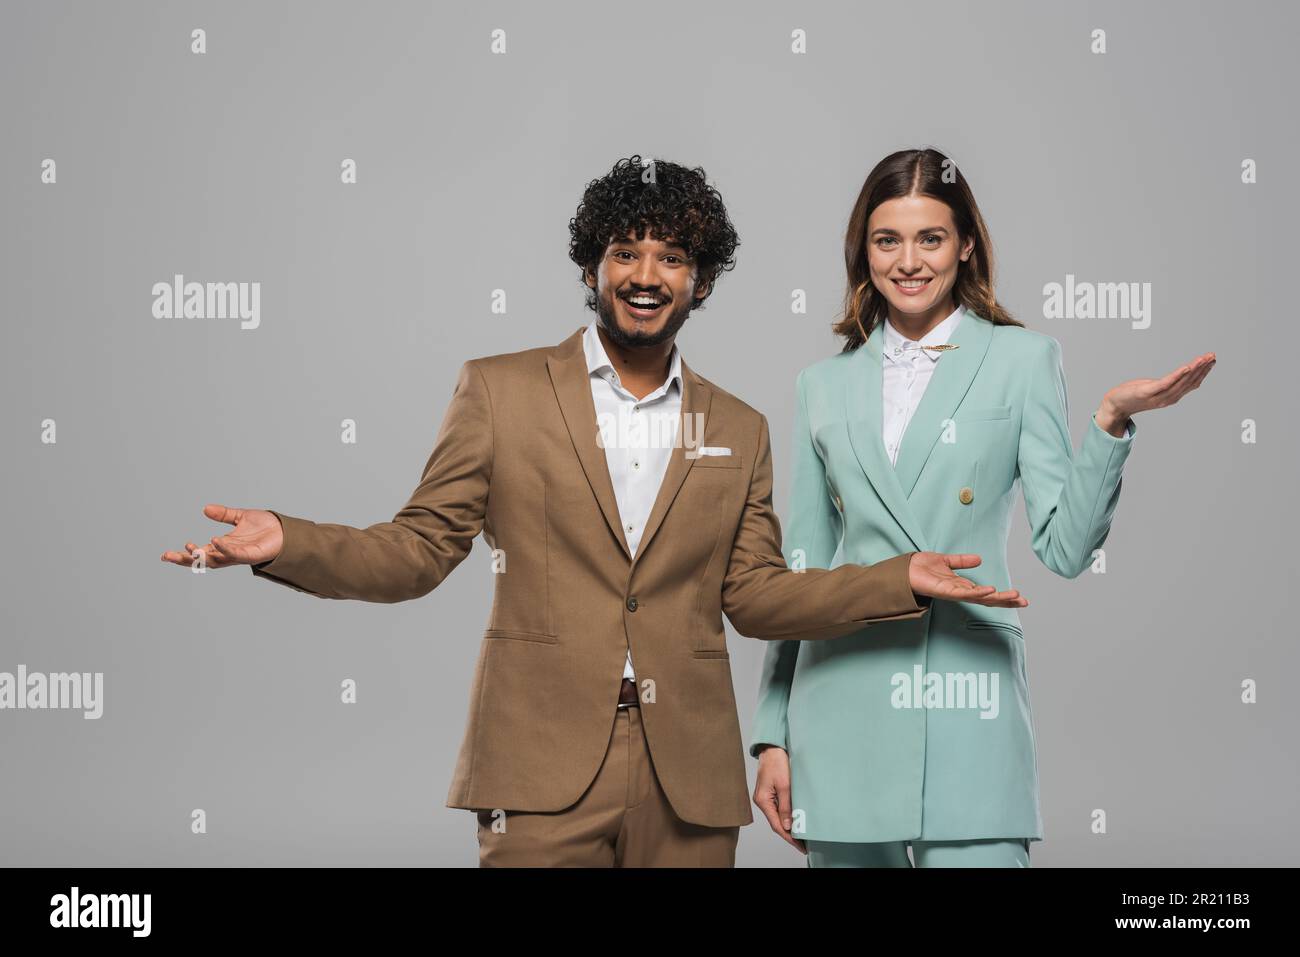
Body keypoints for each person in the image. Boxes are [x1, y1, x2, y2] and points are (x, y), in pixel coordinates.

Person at [162, 155, 1024, 867]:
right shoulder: (498, 392)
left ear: (702, 281)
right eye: (625, 253)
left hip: (687, 782)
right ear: (591, 266)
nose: (647, 277)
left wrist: (895, 578)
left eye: (674, 258)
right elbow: (418, 550)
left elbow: (758, 594)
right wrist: (288, 542)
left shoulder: (737, 425)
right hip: (536, 770)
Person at [750, 147, 1215, 868]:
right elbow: (797, 581)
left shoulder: (1023, 359)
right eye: (887, 240)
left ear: (965, 245)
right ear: (863, 252)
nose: (909, 260)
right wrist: (772, 734)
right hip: (843, 704)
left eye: (930, 238)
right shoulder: (822, 384)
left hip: (971, 701)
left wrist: (1110, 422)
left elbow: (1064, 549)